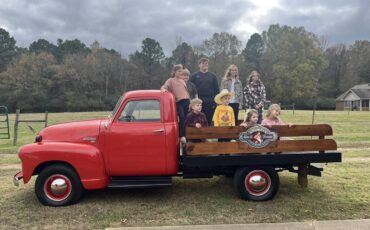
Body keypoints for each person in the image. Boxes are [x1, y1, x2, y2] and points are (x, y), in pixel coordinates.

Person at [161, 65, 191, 144]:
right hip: (179, 102)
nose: (181, 73)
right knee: (181, 117)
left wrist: (189, 100)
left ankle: (188, 134)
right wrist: (163, 89)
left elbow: (186, 91)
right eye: (179, 71)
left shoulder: (182, 80)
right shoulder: (171, 80)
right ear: (174, 72)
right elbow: (165, 86)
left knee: (187, 118)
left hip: (186, 100)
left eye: (181, 71)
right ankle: (181, 136)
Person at [190, 58, 219, 125]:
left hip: (210, 102)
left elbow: (216, 90)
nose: (205, 64)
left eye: (206, 63)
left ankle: (207, 134)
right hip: (198, 102)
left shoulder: (213, 76)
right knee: (198, 120)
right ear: (199, 65)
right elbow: (190, 89)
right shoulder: (194, 76)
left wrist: (215, 102)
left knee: (208, 120)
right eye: (203, 63)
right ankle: (199, 135)